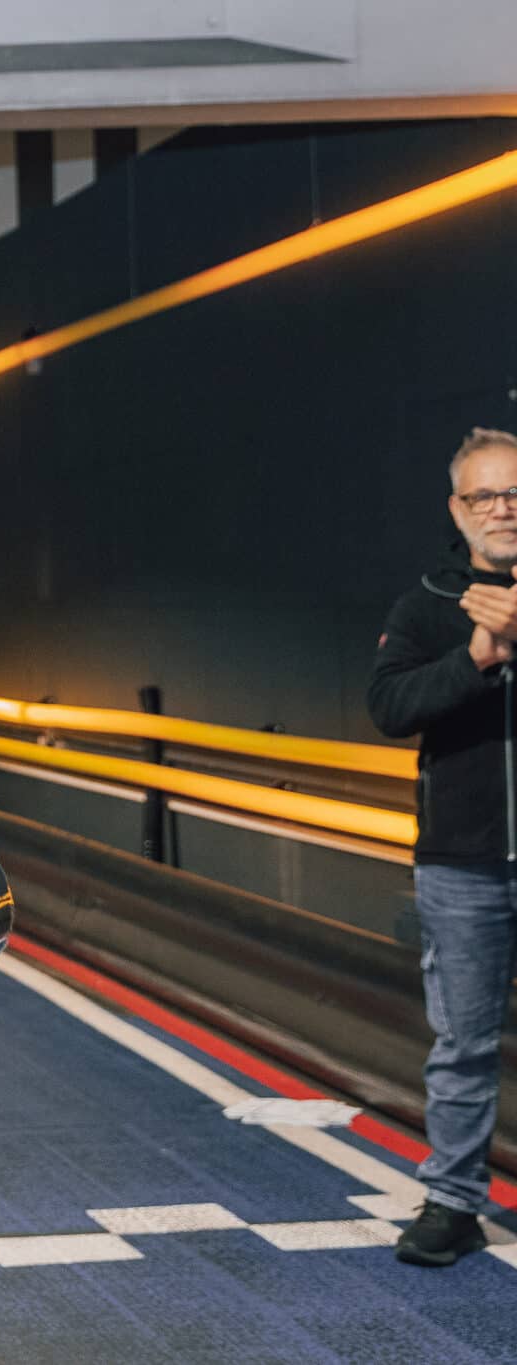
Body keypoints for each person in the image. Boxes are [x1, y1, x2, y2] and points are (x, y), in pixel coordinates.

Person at [368, 424, 517, 1269]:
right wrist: (480, 655)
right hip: (462, 865)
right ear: (457, 510)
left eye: (515, 493)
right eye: (483, 495)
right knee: (462, 1044)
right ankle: (454, 1201)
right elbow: (390, 706)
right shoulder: (427, 604)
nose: (502, 508)